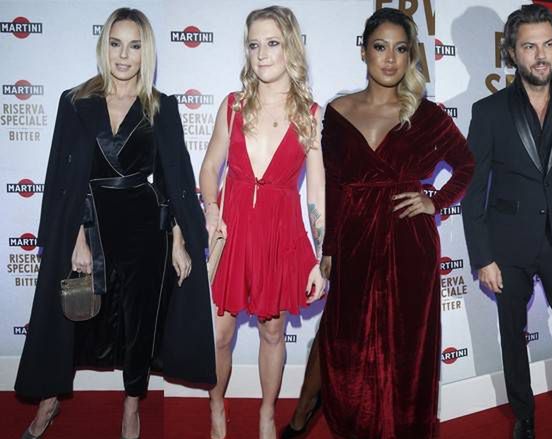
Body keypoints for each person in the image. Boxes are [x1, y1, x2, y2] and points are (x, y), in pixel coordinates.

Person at [14, 7, 216, 439]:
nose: (124, 55)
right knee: (68, 318)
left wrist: (179, 238)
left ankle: (131, 406)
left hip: (145, 230)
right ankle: (49, 400)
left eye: (135, 46)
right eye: (116, 43)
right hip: (88, 224)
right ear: (104, 47)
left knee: (140, 322)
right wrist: (75, 238)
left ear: (147, 52)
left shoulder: (161, 106)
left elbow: (173, 178)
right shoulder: (75, 101)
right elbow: (61, 177)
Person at [315, 8, 474, 439]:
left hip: (409, 242)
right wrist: (329, 248)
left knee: (407, 345)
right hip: (353, 239)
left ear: (410, 57)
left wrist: (434, 201)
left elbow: (466, 164)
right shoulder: (337, 111)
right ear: (364, 51)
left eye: (400, 49)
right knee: (347, 342)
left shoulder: (426, 114)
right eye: (380, 47)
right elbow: (332, 185)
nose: (389, 59)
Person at [461, 4, 552, 439]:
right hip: (508, 246)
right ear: (511, 52)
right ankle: (523, 414)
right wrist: (483, 257)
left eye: (548, 45)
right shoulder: (488, 112)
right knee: (512, 332)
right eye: (529, 47)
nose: (541, 55)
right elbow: (473, 191)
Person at [199, 6, 326, 439]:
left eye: (272, 43)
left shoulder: (309, 114)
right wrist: (211, 208)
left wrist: (320, 257)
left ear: (290, 47)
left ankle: (267, 412)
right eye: (254, 45)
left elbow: (316, 192)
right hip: (231, 232)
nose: (262, 54)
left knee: (273, 333)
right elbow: (209, 166)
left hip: (278, 235)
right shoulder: (233, 107)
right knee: (219, 335)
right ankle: (216, 406)